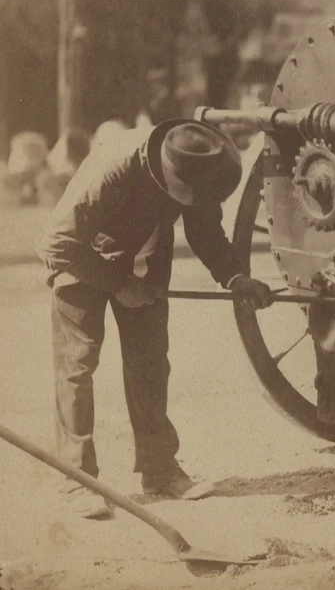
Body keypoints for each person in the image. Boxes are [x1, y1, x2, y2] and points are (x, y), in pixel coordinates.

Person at [36, 119, 275, 520]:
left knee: (150, 365)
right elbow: (55, 243)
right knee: (77, 366)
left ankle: (160, 470)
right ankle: (78, 480)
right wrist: (117, 282)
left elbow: (206, 231)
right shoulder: (112, 168)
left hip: (144, 271)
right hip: (83, 262)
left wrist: (236, 277)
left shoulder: (196, 165)